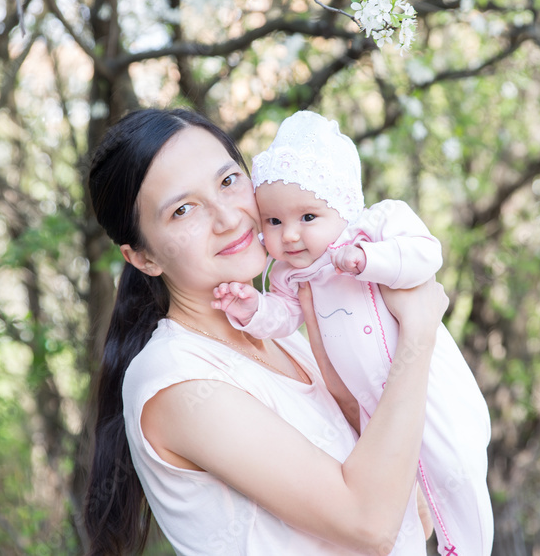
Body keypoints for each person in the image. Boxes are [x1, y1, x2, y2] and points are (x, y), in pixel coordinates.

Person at [84, 108, 449, 556]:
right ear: (144, 258)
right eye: (183, 210)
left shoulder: (284, 336)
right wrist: (418, 332)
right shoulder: (172, 377)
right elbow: (371, 524)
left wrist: (352, 404)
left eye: (228, 181)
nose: (227, 218)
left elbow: (414, 515)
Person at [211, 110, 493, 556]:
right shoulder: (289, 275)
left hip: (430, 383)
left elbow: (426, 255)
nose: (290, 236)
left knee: (456, 468)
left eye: (307, 216)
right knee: (402, 486)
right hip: (371, 406)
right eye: (274, 222)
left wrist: (371, 261)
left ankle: (470, 549)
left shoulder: (374, 227)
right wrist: (251, 308)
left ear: (341, 206)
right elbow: (283, 319)